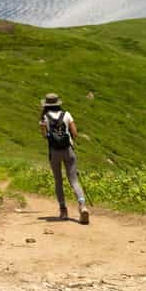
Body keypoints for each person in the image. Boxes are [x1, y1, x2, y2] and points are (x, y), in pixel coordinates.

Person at [39, 93, 90, 224]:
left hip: (54, 152)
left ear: (46, 105)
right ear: (58, 103)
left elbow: (44, 135)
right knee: (74, 180)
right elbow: (74, 132)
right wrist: (70, 140)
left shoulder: (44, 117)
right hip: (68, 150)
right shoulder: (67, 114)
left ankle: (63, 210)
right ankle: (82, 206)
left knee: (58, 181)